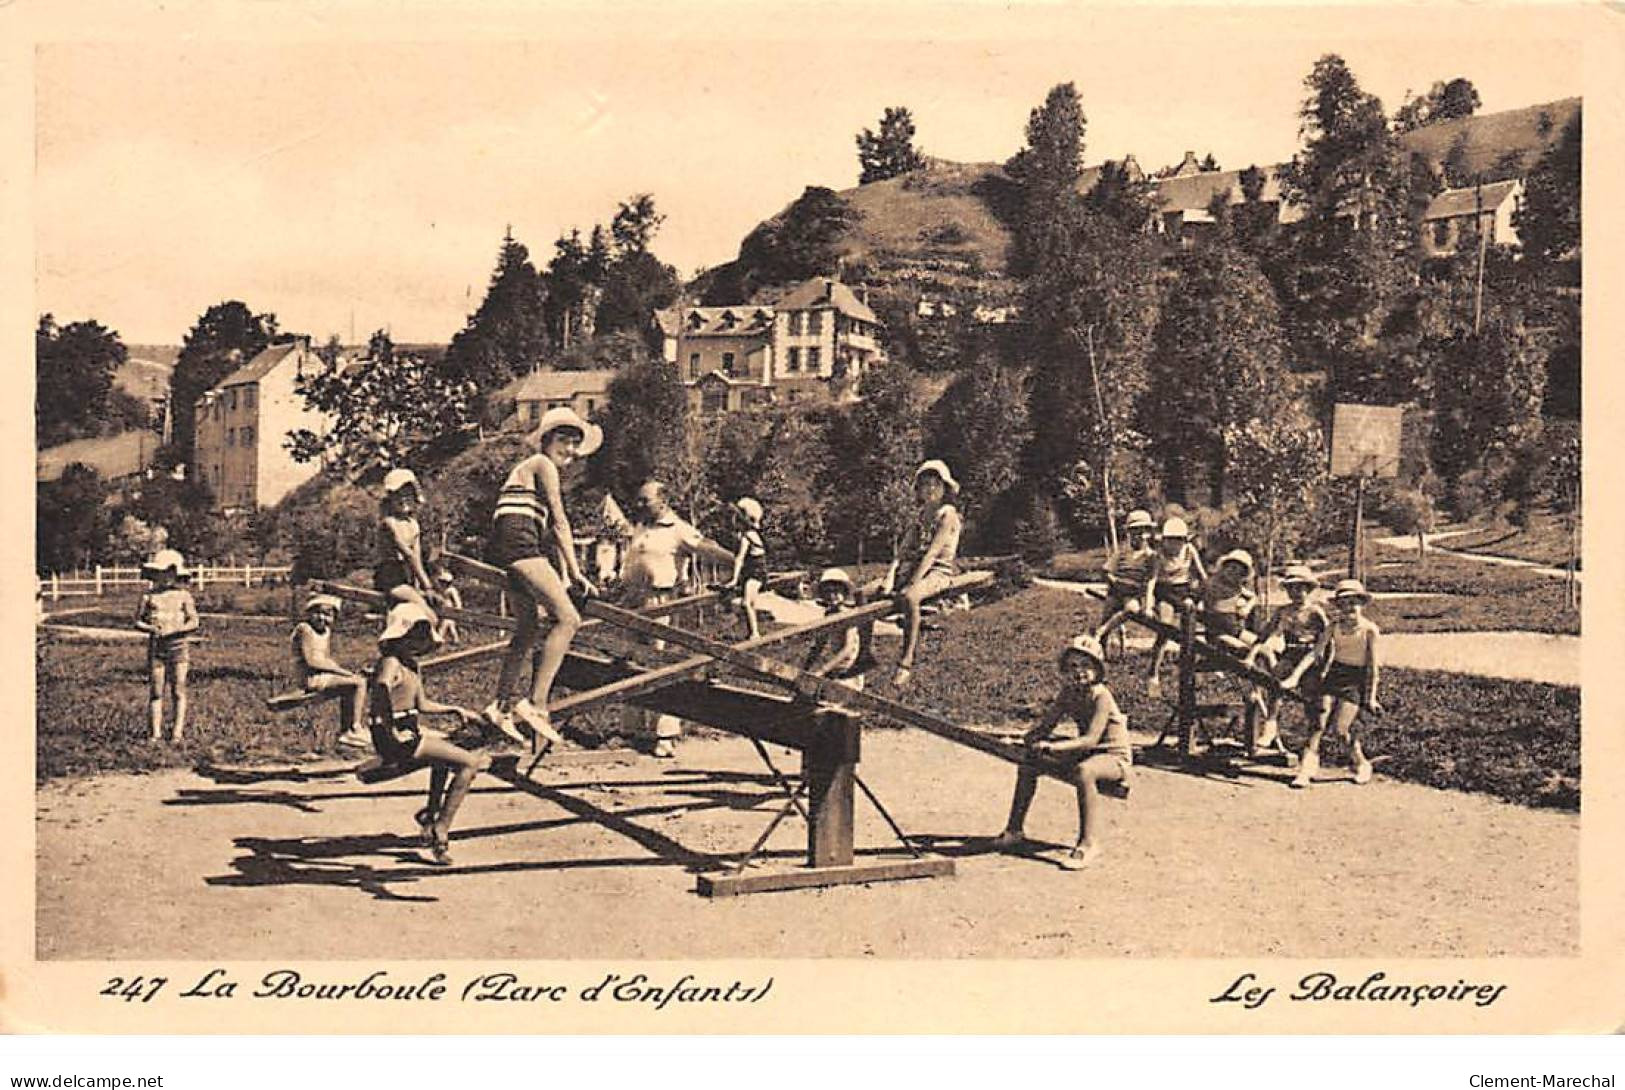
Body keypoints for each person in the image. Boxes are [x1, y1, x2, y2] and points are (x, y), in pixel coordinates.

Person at [486, 407, 601, 753]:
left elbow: (548, 534)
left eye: (574, 445)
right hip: (518, 542)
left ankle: (501, 706)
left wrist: (564, 576)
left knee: (527, 629)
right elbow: (561, 522)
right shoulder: (542, 464)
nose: (569, 450)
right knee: (568, 619)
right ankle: (535, 703)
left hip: (511, 541)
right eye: (563, 441)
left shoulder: (529, 471)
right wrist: (578, 571)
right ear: (546, 440)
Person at [602, 479, 736, 758]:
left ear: (663, 501)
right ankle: (632, 730)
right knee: (630, 662)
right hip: (632, 600)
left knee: (659, 664)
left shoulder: (678, 529)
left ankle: (665, 734)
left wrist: (739, 563)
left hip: (660, 601)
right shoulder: (640, 527)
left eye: (645, 500)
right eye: (638, 500)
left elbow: (705, 547)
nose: (639, 505)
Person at [990, 634, 1131, 871]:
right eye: (1073, 666)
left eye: (1086, 666)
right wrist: (1030, 739)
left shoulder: (1101, 696)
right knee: (1029, 763)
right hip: (1087, 753)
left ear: (1098, 670)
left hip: (1112, 758)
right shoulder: (1068, 693)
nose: (1079, 672)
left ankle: (1088, 843)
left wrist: (1052, 747)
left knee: (1084, 772)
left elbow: (1090, 740)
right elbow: (1047, 725)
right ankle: (1014, 830)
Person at [368, 601, 489, 866]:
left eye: (421, 637)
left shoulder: (411, 665)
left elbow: (422, 704)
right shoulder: (391, 662)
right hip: (396, 736)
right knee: (469, 763)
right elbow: (380, 689)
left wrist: (454, 709)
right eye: (412, 635)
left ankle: (431, 816)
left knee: (444, 754)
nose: (416, 642)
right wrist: (389, 728)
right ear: (399, 635)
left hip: (408, 732)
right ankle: (440, 828)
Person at [876, 459, 964, 688]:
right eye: (924, 485)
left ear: (944, 488)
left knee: (910, 597)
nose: (929, 490)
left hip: (938, 571)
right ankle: (864, 654)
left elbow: (933, 553)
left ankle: (906, 661)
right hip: (913, 569)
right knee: (863, 594)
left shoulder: (948, 514)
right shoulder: (920, 515)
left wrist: (912, 583)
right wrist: (889, 578)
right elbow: (902, 551)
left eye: (935, 484)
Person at [1290, 578, 1383, 789]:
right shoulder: (1333, 626)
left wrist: (1370, 697)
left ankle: (1361, 763)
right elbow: (1315, 653)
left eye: (1353, 602)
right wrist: (1295, 676)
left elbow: (1373, 667)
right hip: (1334, 674)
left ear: (1362, 604)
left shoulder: (1369, 630)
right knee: (1318, 723)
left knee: (1340, 730)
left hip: (1355, 678)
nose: (1349, 608)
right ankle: (1306, 769)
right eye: (1343, 603)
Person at [1244, 564, 1327, 752]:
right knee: (1276, 681)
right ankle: (1271, 725)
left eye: (1301, 588)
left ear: (1309, 589)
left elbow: (1328, 639)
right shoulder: (1283, 611)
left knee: (1311, 698)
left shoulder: (1315, 612)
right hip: (1291, 653)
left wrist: (1326, 666)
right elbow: (1263, 636)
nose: (1296, 593)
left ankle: (1312, 741)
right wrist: (1251, 655)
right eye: (1291, 589)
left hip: (1311, 657)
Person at [134, 549, 199, 742]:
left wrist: (178, 629)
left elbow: (194, 621)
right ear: (156, 574)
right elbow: (137, 621)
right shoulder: (148, 597)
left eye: (172, 573)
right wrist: (151, 628)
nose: (167, 578)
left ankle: (177, 733)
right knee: (156, 690)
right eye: (163, 573)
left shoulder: (183, 596)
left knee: (178, 689)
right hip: (157, 647)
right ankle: (155, 733)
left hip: (178, 646)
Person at [290, 594, 370, 752]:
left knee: (354, 682)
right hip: (310, 677)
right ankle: (355, 726)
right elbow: (312, 661)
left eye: (327, 614)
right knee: (359, 683)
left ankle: (346, 731)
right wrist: (341, 672)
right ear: (309, 613)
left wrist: (345, 673)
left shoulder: (325, 631)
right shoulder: (305, 629)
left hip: (321, 675)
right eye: (317, 613)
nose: (321, 618)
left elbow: (325, 658)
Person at [1143, 516, 1207, 701]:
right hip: (1165, 592)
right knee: (1165, 628)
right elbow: (1151, 582)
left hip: (1184, 590)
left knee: (1197, 626)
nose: (1175, 545)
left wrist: (1202, 597)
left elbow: (1202, 576)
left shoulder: (1189, 551)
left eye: (1179, 540)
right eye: (1171, 540)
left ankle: (1197, 668)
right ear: (1164, 540)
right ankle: (1153, 673)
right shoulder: (1158, 556)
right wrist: (1148, 606)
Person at [375, 468, 446, 627]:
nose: (403, 500)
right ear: (390, 499)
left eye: (407, 495)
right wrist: (427, 586)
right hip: (391, 578)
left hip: (408, 576)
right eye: (397, 496)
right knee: (428, 615)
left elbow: (417, 556)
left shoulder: (413, 525)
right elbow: (408, 554)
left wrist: (424, 585)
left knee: (439, 606)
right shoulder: (389, 523)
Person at [1094, 508, 1157, 649]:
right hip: (1117, 590)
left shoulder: (1150, 556)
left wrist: (1147, 603)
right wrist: (1114, 582)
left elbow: (1151, 579)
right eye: (1135, 532)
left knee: (1132, 609)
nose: (1140, 536)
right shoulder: (1122, 552)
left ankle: (1102, 630)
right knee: (1108, 611)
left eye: (1144, 532)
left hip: (1134, 593)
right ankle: (1101, 646)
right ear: (1129, 533)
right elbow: (1106, 570)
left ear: (1149, 534)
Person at [802, 568, 868, 691]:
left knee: (834, 698)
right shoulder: (829, 615)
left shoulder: (849, 616)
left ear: (844, 593)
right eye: (828, 592)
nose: (832, 596)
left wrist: (822, 670)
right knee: (814, 693)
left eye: (836, 592)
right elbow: (819, 644)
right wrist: (805, 668)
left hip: (849, 670)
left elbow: (847, 648)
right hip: (836, 668)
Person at [725, 496, 769, 640]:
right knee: (752, 602)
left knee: (746, 603)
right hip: (758, 572)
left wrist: (734, 579)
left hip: (755, 573)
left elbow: (740, 559)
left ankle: (755, 633)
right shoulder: (755, 534)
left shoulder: (747, 537)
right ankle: (753, 630)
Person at [434, 568, 463, 645]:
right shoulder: (441, 590)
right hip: (444, 609)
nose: (441, 584)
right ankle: (456, 639)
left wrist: (458, 607)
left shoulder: (451, 590)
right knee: (450, 625)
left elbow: (457, 600)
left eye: (443, 582)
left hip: (450, 609)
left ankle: (439, 638)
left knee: (444, 625)